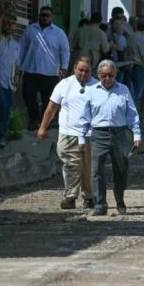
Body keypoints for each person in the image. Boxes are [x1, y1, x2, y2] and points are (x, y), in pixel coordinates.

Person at [79, 60, 141, 216]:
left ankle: (119, 200)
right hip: (99, 134)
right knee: (96, 170)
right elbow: (84, 118)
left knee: (121, 169)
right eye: (104, 75)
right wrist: (81, 138)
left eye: (111, 75)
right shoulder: (91, 91)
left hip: (119, 134)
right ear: (99, 75)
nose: (107, 78)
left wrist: (137, 134)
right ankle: (100, 204)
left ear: (116, 75)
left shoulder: (123, 90)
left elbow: (132, 114)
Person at [37, 56, 98, 209]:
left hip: (89, 135)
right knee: (71, 164)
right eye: (81, 70)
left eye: (87, 71)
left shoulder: (97, 87)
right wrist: (43, 127)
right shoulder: (64, 85)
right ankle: (70, 196)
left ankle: (89, 197)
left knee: (88, 168)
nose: (84, 74)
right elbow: (52, 107)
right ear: (74, 69)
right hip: (68, 133)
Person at [19, 6, 70, 130]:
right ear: (39, 16)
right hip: (31, 70)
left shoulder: (59, 33)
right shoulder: (30, 30)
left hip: (50, 73)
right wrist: (18, 65)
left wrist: (64, 67)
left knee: (48, 100)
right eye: (42, 15)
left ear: (51, 17)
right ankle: (33, 119)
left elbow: (65, 51)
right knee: (28, 96)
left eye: (47, 15)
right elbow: (21, 48)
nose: (44, 17)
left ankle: (44, 121)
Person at [0, 15, 21, 149]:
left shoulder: (16, 44)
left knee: (8, 108)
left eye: (12, 24)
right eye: (7, 23)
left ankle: (1, 136)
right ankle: (0, 137)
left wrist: (16, 76)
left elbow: (17, 64)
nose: (10, 26)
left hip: (9, 83)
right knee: (2, 104)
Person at [124, 16, 144, 106]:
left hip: (129, 67)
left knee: (130, 95)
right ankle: (135, 118)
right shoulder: (140, 39)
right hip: (138, 67)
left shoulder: (131, 37)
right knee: (137, 97)